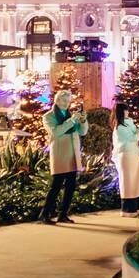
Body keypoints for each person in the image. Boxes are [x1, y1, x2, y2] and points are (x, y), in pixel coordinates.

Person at [40, 90, 88, 224]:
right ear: (57, 101)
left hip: (72, 155)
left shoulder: (71, 116)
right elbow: (56, 132)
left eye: (68, 101)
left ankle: (63, 214)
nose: (67, 104)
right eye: (64, 101)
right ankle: (45, 214)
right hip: (61, 155)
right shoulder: (48, 117)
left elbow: (83, 132)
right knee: (56, 186)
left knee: (70, 187)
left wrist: (83, 120)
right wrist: (72, 120)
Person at [112, 103, 139, 217]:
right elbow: (134, 138)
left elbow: (137, 136)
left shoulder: (129, 123)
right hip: (126, 156)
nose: (127, 112)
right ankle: (128, 210)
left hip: (134, 155)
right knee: (128, 182)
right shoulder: (119, 127)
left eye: (127, 110)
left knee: (136, 180)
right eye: (125, 110)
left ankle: (135, 207)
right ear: (120, 112)